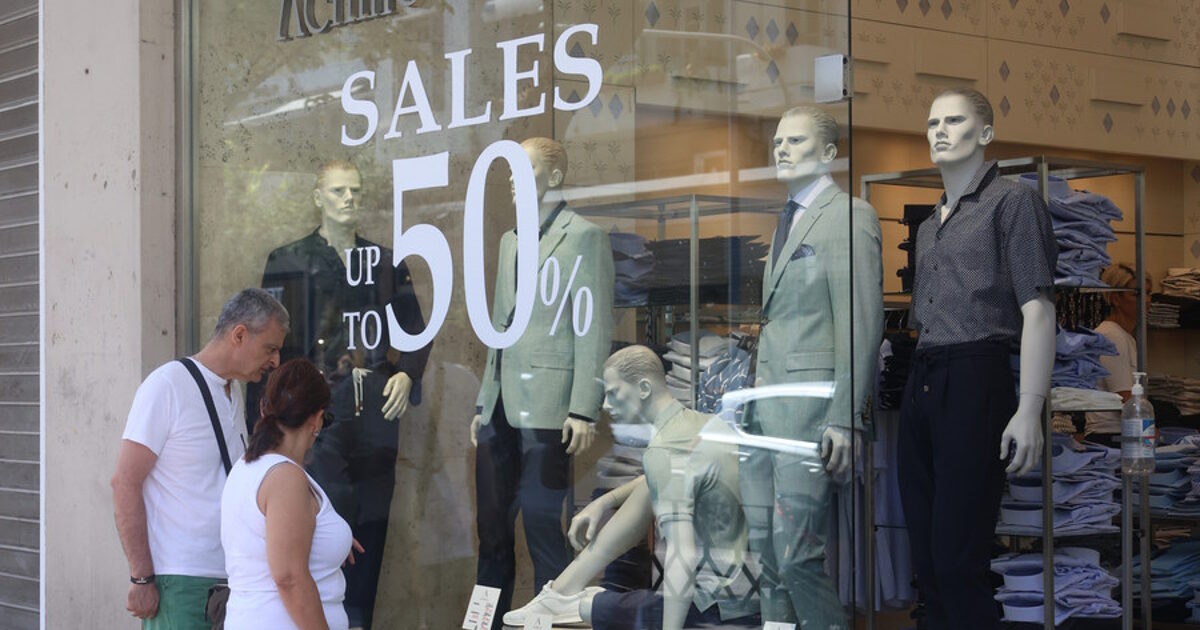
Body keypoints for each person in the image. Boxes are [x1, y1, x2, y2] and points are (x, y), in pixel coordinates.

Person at [899, 87, 1056, 629]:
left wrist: (1030, 407)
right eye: (932, 122)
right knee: (926, 560)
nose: (940, 131)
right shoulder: (928, 225)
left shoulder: (1012, 203)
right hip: (923, 376)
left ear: (985, 133)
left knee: (957, 558)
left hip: (975, 375)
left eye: (954, 120)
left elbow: (1038, 308)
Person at [256, 159, 431, 629]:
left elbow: (417, 330)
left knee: (372, 526)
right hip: (318, 414)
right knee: (321, 525)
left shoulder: (385, 261)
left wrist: (407, 374)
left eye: (355, 191)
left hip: (376, 412)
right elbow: (272, 343)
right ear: (318, 197)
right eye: (338, 191)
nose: (349, 199)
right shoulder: (289, 260)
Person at [743, 105, 883, 627]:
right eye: (778, 141)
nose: (781, 149)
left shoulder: (849, 216)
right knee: (770, 560)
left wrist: (846, 417)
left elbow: (860, 322)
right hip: (766, 412)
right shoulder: (786, 219)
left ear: (828, 153)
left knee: (798, 557)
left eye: (796, 141)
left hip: (810, 414)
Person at [503, 345, 757, 629]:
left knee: (591, 606)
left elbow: (681, 557)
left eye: (613, 393)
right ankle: (562, 592)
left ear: (644, 388)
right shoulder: (699, 426)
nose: (605, 405)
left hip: (714, 608)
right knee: (650, 485)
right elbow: (659, 477)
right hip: (746, 592)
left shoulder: (665, 450)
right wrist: (605, 500)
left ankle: (567, 598)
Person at [470, 137, 615, 627]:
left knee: (541, 525)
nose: (513, 180)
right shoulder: (511, 240)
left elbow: (593, 327)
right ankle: (485, 623)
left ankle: (549, 622)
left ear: (554, 177)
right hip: (501, 405)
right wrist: (484, 400)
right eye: (510, 171)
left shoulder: (584, 237)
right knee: (491, 529)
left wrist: (584, 407)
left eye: (524, 170)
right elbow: (499, 324)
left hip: (551, 403)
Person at [112, 288, 288, 628]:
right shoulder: (167, 385)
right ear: (239, 335)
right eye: (270, 348)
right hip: (181, 584)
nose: (275, 361)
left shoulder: (233, 391)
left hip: (233, 580)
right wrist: (141, 578)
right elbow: (125, 482)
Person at [221, 358, 360, 629]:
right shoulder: (285, 477)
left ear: (264, 408)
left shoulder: (249, 466)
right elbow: (289, 578)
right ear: (317, 419)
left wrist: (333, 537)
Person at [1086, 263, 1153, 443]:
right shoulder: (1112, 335)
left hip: (1123, 433)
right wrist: (1150, 434)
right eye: (1137, 294)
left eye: (1148, 293)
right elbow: (1125, 397)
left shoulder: (1124, 335)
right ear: (1116, 299)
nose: (1146, 300)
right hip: (1111, 436)